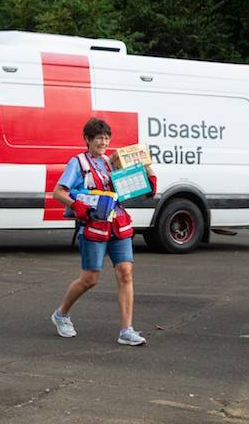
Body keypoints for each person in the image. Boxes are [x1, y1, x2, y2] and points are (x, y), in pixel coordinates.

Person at [50, 118, 156, 346]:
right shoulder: (78, 163)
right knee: (90, 279)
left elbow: (128, 189)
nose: (103, 141)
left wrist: (148, 175)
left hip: (118, 224)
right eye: (99, 137)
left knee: (125, 272)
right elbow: (58, 192)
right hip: (93, 226)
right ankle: (61, 314)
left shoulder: (110, 162)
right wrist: (76, 205)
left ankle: (127, 330)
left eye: (106, 137)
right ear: (87, 139)